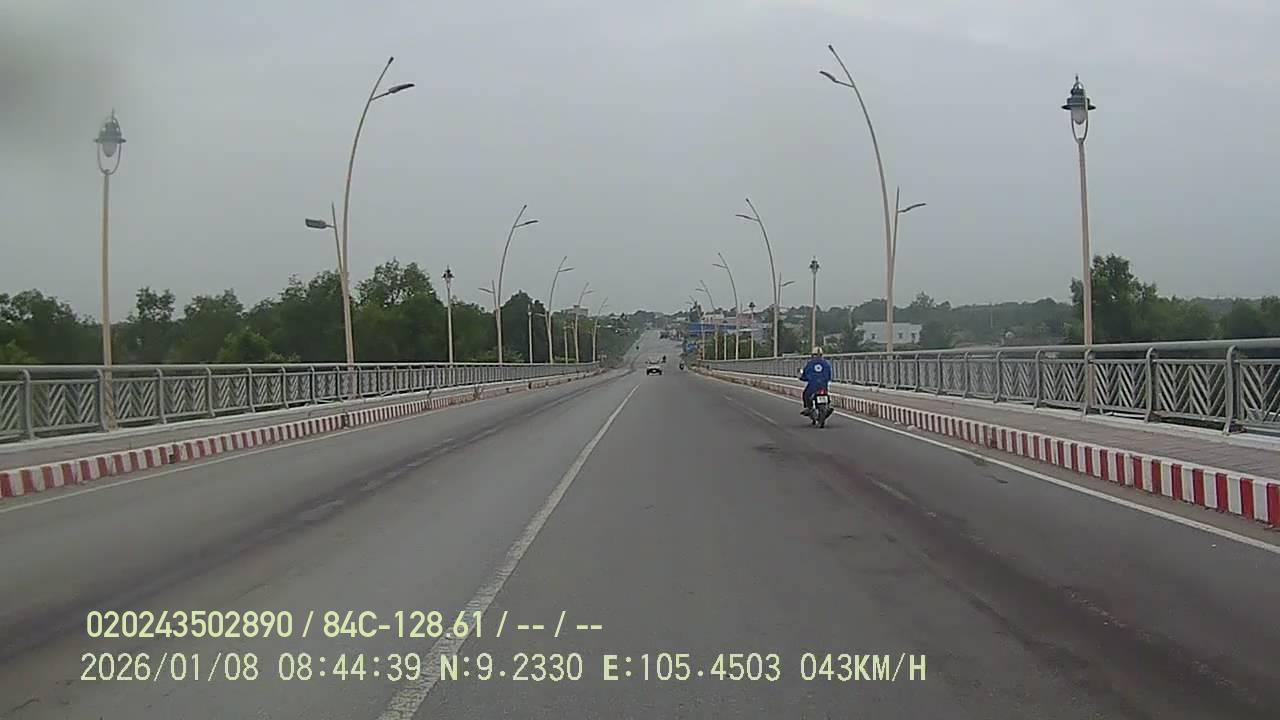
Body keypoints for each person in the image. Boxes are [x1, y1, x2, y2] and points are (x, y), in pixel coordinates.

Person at [799, 346, 833, 416]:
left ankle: (808, 407)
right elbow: (829, 376)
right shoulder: (826, 363)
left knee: (806, 394)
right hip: (823, 385)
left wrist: (802, 378)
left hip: (812, 386)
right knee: (826, 393)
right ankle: (828, 405)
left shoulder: (810, 363)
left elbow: (805, 374)